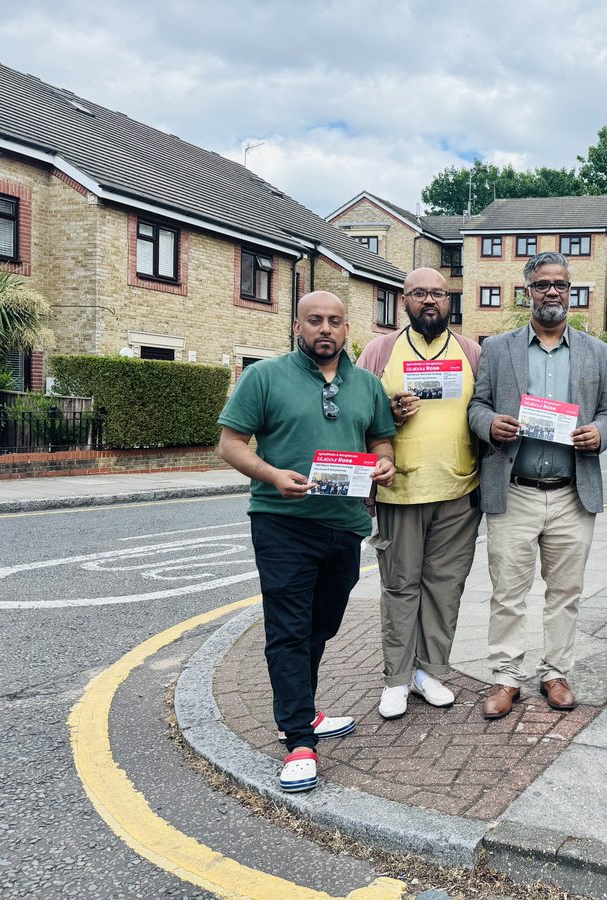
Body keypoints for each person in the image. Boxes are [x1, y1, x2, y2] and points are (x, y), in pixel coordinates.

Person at [218, 291, 396, 793]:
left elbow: (380, 441)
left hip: (345, 525)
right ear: (298, 326)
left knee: (322, 624)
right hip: (283, 523)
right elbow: (230, 443)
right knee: (289, 629)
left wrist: (385, 463)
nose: (325, 329)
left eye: (334, 321)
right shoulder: (264, 376)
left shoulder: (366, 385)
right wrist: (272, 474)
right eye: (314, 320)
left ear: (347, 329)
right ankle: (298, 738)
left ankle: (305, 711)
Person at [467, 251, 607, 720]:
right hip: (515, 490)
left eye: (561, 285)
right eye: (543, 284)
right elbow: (476, 405)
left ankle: (555, 672)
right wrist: (491, 424)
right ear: (527, 291)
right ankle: (505, 676)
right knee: (507, 591)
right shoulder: (498, 348)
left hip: (573, 493)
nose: (552, 291)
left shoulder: (597, 352)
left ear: (570, 291)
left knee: (565, 592)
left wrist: (602, 433)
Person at [357, 268, 483, 720]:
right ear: (403, 300)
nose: (430, 301)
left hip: (459, 490)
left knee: (445, 587)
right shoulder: (380, 350)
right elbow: (358, 415)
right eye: (419, 294)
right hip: (399, 490)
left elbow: (483, 411)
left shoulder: (471, 351)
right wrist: (387, 416)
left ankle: (430, 671)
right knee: (399, 586)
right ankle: (395, 678)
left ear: (450, 301)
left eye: (439, 293)